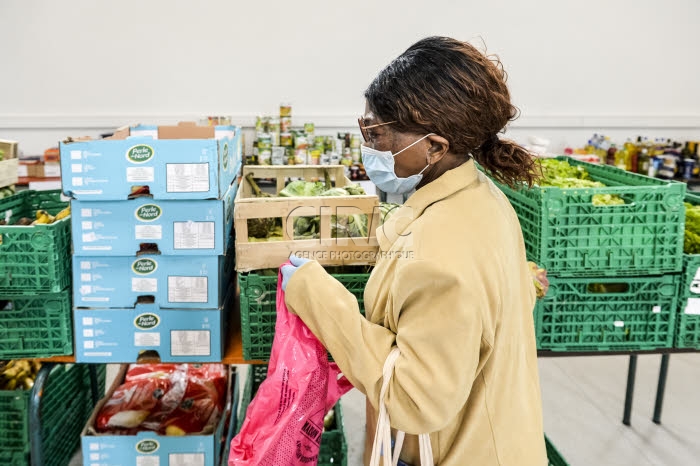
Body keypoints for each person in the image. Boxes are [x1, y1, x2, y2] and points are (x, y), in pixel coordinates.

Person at [281, 36, 547, 466]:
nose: (369, 146)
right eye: (366, 129)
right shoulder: (479, 196)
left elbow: (413, 399)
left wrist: (314, 293)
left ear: (435, 147)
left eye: (379, 134)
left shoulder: (439, 252)